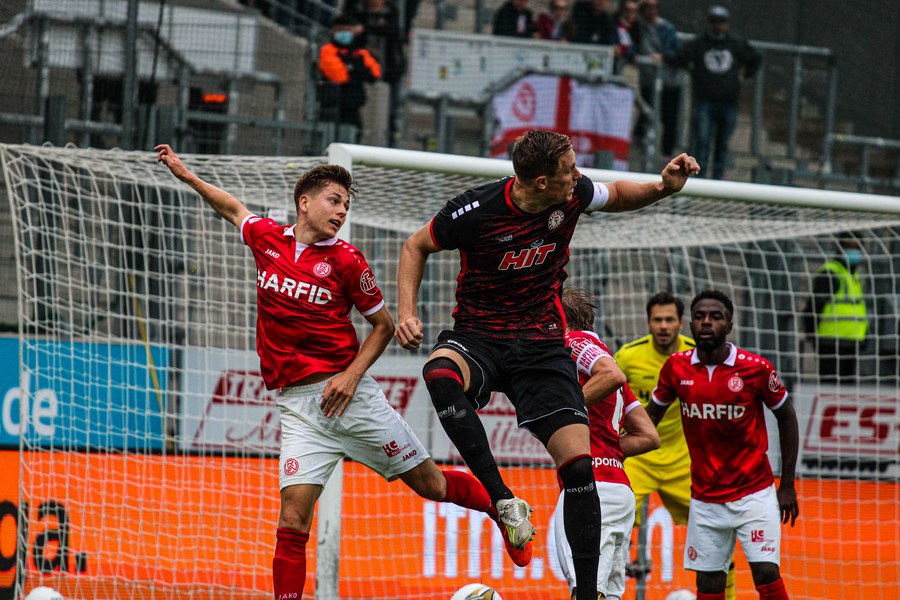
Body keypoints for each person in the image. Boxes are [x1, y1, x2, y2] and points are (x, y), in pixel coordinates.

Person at [153, 146, 531, 600]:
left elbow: (383, 326)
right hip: (298, 408)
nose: (341, 211)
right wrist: (186, 174)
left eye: (346, 205)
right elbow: (232, 208)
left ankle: (501, 509)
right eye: (334, 201)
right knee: (292, 519)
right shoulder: (267, 238)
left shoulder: (348, 260)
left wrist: (351, 376)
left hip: (351, 400)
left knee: (431, 485)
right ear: (304, 202)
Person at [394, 130, 700, 600]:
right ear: (540, 182)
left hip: (541, 345)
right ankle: (502, 500)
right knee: (439, 374)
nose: (578, 176)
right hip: (479, 336)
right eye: (569, 169)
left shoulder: (572, 194)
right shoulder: (474, 210)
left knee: (579, 470)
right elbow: (415, 246)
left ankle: (585, 596)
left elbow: (618, 194)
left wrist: (662, 187)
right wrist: (408, 312)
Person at [645, 290, 799, 600]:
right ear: (690, 324)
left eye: (715, 317)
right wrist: (617, 447)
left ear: (729, 326)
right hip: (705, 497)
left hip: (753, 492)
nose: (706, 322)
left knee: (766, 572)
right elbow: (651, 416)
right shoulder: (676, 367)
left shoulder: (755, 368)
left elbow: (787, 416)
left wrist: (787, 485)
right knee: (709, 583)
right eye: (700, 316)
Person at [616, 293, 738, 600]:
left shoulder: (696, 355)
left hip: (684, 460)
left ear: (681, 323)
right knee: (610, 520)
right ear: (648, 323)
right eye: (657, 320)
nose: (663, 326)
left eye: (669, 320)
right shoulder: (629, 356)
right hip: (639, 458)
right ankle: (607, 586)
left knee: (717, 533)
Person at [555, 286, 660, 600]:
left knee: (585, 592)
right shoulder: (601, 357)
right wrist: (608, 451)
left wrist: (565, 410)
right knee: (607, 594)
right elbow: (649, 436)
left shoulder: (573, 343)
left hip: (591, 490)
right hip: (619, 489)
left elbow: (613, 375)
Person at [667, 5, 761, 180]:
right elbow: (680, 57)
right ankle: (700, 178)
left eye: (721, 21)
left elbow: (755, 58)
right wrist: (664, 57)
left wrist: (746, 75)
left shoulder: (735, 43)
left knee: (722, 144)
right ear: (709, 23)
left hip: (728, 101)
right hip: (705, 100)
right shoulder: (700, 43)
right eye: (715, 21)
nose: (718, 25)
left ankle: (718, 180)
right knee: (702, 140)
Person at [802, 232, 869, 384]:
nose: (853, 251)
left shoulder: (853, 275)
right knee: (830, 386)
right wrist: (812, 334)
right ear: (840, 248)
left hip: (852, 341)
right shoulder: (831, 272)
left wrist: (866, 334)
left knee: (846, 388)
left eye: (856, 247)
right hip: (830, 341)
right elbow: (814, 306)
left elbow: (858, 308)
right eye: (848, 246)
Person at [345, 0, 406, 146]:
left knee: (390, 111)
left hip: (389, 70)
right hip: (361, 69)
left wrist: (364, 29)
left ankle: (390, 144)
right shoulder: (357, 8)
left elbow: (391, 31)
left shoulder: (391, 11)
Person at [317, 15, 381, 143]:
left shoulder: (359, 52)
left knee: (353, 139)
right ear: (333, 31)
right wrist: (359, 69)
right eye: (340, 29)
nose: (344, 33)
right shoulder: (327, 50)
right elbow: (339, 76)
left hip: (353, 106)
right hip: (332, 105)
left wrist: (352, 68)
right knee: (328, 141)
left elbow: (375, 74)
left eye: (347, 30)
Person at [633, 0, 683, 156]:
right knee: (646, 115)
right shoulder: (638, 28)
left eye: (654, 7)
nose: (652, 10)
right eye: (648, 7)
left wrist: (663, 57)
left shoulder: (667, 28)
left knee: (669, 119)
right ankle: (643, 149)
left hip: (669, 81)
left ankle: (666, 155)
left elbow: (678, 53)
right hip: (649, 81)